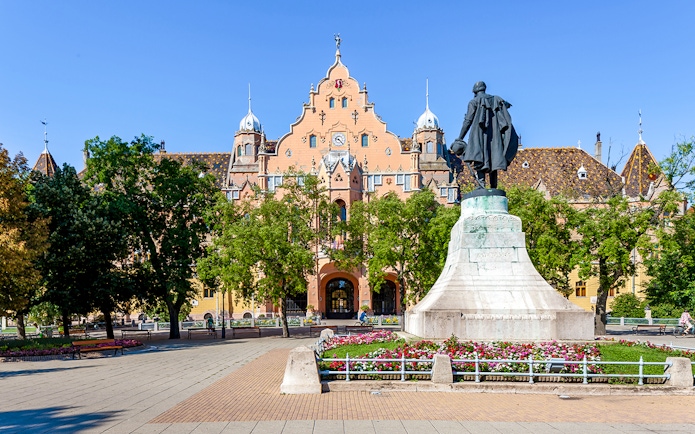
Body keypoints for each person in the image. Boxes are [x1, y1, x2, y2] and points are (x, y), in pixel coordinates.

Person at [451, 81, 518, 189]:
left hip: (479, 134)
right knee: (494, 158)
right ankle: (493, 187)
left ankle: (481, 184)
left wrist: (460, 137)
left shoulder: (474, 102)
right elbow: (505, 107)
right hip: (495, 136)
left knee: (478, 156)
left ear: (475, 92)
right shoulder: (496, 99)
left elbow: (468, 120)